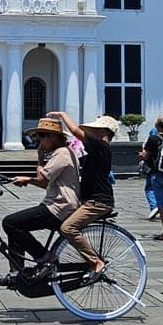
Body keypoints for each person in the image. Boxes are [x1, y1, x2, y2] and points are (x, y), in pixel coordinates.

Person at [0, 117, 80, 288]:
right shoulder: (62, 152)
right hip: (57, 204)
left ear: (54, 137)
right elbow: (45, 182)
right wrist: (39, 160)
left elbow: (41, 178)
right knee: (16, 226)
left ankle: (44, 256)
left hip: (59, 207)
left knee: (10, 223)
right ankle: (16, 273)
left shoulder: (62, 153)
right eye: (38, 136)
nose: (39, 140)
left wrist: (31, 173)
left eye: (42, 135)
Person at [49, 111, 116, 282]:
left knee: (68, 228)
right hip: (91, 199)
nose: (90, 134)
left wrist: (62, 115)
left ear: (103, 132)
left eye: (94, 130)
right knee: (61, 222)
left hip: (98, 201)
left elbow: (76, 131)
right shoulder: (97, 151)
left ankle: (96, 261)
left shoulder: (101, 145)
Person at [140, 121, 160, 220]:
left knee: (149, 189)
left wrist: (142, 154)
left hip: (153, 167)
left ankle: (154, 206)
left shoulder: (152, 138)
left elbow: (146, 154)